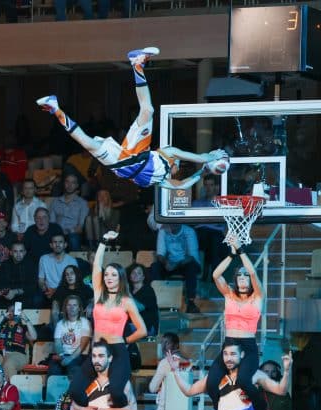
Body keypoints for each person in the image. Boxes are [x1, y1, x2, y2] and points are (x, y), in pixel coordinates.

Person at [37, 48, 227, 191]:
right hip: (138, 154)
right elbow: (200, 158)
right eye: (178, 165)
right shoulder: (169, 153)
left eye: (178, 166)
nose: (177, 166)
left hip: (126, 163)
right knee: (148, 109)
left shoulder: (162, 180)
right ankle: (137, 64)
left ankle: (55, 109)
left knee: (88, 142)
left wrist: (203, 171)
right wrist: (210, 160)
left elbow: (181, 186)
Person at [69, 231, 146, 409]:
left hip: (117, 351)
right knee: (75, 391)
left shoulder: (126, 301)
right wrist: (103, 241)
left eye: (113, 275)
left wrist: (125, 342)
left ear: (120, 278)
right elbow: (96, 265)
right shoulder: (99, 295)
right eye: (107, 275)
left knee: (117, 392)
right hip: (97, 351)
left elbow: (142, 330)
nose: (109, 278)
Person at [207, 235, 266, 410]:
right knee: (211, 383)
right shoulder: (229, 295)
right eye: (239, 274)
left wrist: (241, 251)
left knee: (243, 381)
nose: (242, 277)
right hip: (230, 344)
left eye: (245, 275)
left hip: (247, 347)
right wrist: (231, 255)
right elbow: (215, 275)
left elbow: (254, 272)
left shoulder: (258, 297)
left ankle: (261, 408)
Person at [71, 341, 137, 410]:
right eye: (94, 356)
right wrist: (84, 409)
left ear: (110, 358)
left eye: (101, 356)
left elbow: (133, 409)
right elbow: (74, 405)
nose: (97, 360)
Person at [151, 224, 202, 314]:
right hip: (171, 262)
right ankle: (155, 301)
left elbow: (191, 257)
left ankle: (191, 303)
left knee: (191, 267)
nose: (173, 225)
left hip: (187, 262)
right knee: (155, 266)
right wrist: (166, 262)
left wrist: (176, 264)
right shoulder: (163, 230)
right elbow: (160, 254)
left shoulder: (189, 231)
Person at [148, 333, 186, 410]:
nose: (163, 346)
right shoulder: (187, 362)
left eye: (166, 343)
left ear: (175, 345)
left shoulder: (165, 363)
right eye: (162, 343)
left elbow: (152, 387)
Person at [0, 303, 37, 380]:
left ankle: (9, 390)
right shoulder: (0, 325)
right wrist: (3, 316)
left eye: (16, 311)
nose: (13, 313)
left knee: (8, 364)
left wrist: (25, 319)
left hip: (17, 354)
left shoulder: (24, 327)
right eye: (11, 310)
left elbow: (33, 337)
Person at [0, 241, 41, 310]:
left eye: (21, 251)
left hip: (23, 295)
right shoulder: (5, 265)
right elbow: (0, 284)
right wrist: (7, 292)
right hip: (8, 295)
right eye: (15, 251)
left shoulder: (31, 265)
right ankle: (10, 310)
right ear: (10, 253)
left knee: (36, 300)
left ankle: (15, 308)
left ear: (25, 252)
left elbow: (32, 286)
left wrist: (16, 291)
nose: (18, 254)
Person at [192, 174, 228, 278]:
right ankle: (214, 275)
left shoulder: (222, 204)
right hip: (200, 233)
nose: (208, 188)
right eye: (206, 185)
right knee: (210, 239)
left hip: (216, 235)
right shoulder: (196, 203)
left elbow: (225, 225)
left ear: (216, 187)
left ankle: (209, 273)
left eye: (211, 185)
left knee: (215, 240)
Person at [50, 295, 91, 376]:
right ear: (65, 308)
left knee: (73, 369)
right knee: (53, 370)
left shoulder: (85, 322)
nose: (72, 307)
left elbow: (83, 345)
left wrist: (70, 358)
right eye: (69, 305)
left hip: (79, 356)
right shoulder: (60, 324)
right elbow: (57, 343)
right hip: (63, 355)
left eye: (74, 305)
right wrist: (62, 356)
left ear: (79, 308)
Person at [48, 174, 89, 251]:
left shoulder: (82, 203)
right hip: (57, 233)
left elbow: (80, 227)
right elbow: (52, 223)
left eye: (73, 183)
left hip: (73, 234)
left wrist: (68, 231)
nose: (69, 185)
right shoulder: (55, 202)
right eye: (67, 182)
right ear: (64, 184)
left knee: (73, 238)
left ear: (77, 185)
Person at [128, 263, 159, 337]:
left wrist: (127, 294)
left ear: (143, 277)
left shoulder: (148, 290)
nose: (135, 275)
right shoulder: (129, 290)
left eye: (139, 273)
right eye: (133, 273)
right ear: (130, 276)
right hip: (131, 325)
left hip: (146, 327)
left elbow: (139, 308)